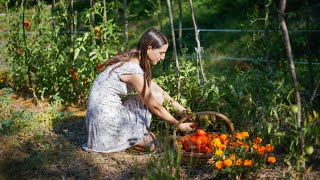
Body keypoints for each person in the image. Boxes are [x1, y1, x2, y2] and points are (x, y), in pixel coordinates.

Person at [82, 28, 195, 153]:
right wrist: (178, 124)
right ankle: (122, 139)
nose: (163, 57)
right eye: (161, 53)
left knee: (157, 95)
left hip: (102, 117)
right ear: (149, 49)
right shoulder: (133, 70)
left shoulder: (133, 58)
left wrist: (179, 109)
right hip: (106, 125)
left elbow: (154, 88)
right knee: (154, 144)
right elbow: (154, 106)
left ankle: (133, 135)